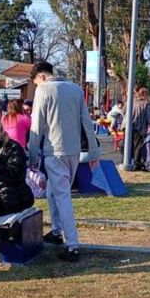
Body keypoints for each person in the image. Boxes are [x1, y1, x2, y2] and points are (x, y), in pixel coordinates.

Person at [27, 61, 100, 262]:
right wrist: (93, 153)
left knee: (63, 197)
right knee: (53, 190)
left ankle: (72, 245)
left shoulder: (43, 90)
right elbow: (87, 122)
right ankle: (57, 231)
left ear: (41, 76)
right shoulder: (76, 89)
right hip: (74, 151)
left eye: (35, 82)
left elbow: (36, 127)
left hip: (54, 152)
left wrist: (32, 157)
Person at [130, 88, 150, 170]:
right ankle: (136, 163)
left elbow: (124, 111)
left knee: (129, 145)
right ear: (145, 95)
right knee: (138, 145)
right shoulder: (146, 105)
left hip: (127, 126)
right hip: (138, 126)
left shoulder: (132, 102)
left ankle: (127, 160)